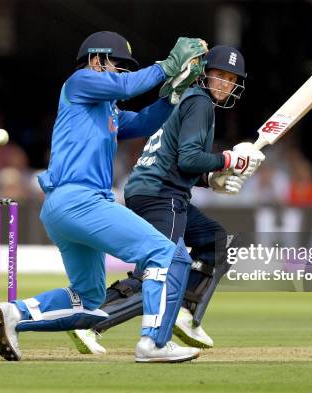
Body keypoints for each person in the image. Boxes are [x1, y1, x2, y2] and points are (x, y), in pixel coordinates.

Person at [0, 31, 260, 363]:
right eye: (117, 65)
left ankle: (15, 313)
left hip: (64, 207)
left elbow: (146, 121)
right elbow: (127, 87)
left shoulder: (108, 113)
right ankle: (153, 343)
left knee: (89, 299)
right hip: (82, 201)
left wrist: (172, 95)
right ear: (95, 59)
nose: (121, 72)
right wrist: (170, 64)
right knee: (166, 253)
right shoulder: (79, 82)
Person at [66, 45, 265, 354]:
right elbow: (189, 159)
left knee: (216, 241)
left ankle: (184, 311)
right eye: (219, 76)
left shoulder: (190, 100)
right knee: (159, 268)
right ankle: (91, 321)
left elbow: (178, 161)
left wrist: (212, 179)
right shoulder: (199, 102)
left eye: (231, 79)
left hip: (158, 191)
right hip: (162, 194)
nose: (225, 84)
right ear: (204, 74)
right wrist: (227, 162)